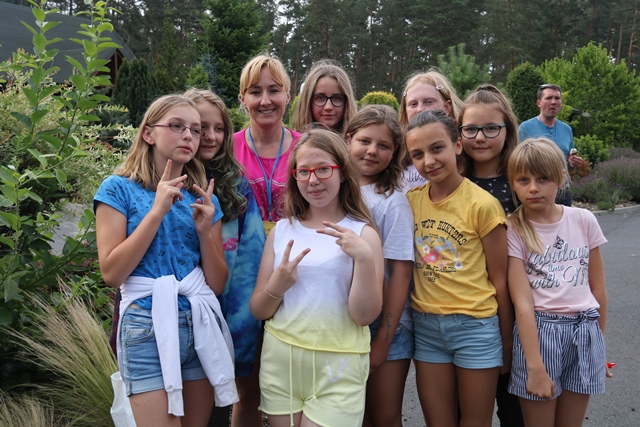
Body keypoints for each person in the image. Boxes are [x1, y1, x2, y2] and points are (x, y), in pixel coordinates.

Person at [94, 95, 237, 427]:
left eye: (195, 130)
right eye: (176, 126)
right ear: (148, 133)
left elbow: (217, 284)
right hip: (145, 324)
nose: (189, 136)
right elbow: (112, 273)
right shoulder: (118, 189)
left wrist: (204, 232)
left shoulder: (203, 198)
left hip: (199, 323)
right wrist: (157, 210)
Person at [249, 129, 384, 427]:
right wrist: (276, 288)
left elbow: (364, 316)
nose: (312, 180)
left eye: (323, 169)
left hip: (339, 365)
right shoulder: (282, 230)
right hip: (281, 360)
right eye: (303, 171)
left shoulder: (363, 235)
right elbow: (259, 309)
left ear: (343, 173)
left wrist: (363, 259)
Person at [405, 109, 511, 427]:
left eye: (437, 148)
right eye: (417, 154)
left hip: (475, 328)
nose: (429, 161)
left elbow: (501, 281)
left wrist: (507, 343)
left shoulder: (483, 205)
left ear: (457, 146)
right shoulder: (410, 202)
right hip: (426, 329)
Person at [506, 138, 609, 427]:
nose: (533, 188)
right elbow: (522, 301)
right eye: (523, 180)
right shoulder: (514, 228)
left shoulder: (584, 220)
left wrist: (599, 347)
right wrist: (534, 366)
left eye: (543, 178)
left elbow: (598, 289)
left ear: (561, 178)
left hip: (585, 329)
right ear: (513, 183)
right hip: (540, 334)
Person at [183, 88, 267, 427]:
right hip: (171, 317)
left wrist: (240, 331)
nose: (211, 136)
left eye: (219, 128)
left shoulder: (236, 187)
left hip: (222, 317)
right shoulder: (162, 180)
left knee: (215, 412)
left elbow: (251, 260)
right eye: (202, 127)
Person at [344, 105, 414, 427]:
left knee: (383, 417)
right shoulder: (333, 190)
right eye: (364, 141)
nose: (372, 150)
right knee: (351, 415)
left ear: (394, 153)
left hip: (387, 326)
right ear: (348, 140)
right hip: (344, 320)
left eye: (383, 145)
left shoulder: (392, 202)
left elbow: (401, 273)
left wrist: (383, 342)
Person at [459, 84, 523, 426]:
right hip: (468, 316)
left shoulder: (522, 182)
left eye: (490, 129)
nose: (480, 138)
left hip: (523, 309)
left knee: (515, 411)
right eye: (470, 129)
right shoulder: (453, 182)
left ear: (507, 130)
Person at [235, 54, 302, 233]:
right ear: (243, 99)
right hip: (240, 248)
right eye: (255, 92)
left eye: (274, 91)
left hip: (295, 247)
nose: (265, 101)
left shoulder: (305, 147)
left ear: (287, 96)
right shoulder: (227, 148)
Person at [517, 84, 585, 207]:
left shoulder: (566, 129)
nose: (553, 102)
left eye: (557, 98)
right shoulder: (525, 128)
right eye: (548, 98)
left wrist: (572, 164)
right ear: (539, 103)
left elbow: (566, 165)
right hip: (537, 192)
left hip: (562, 191)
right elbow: (518, 164)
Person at [398, 69, 463, 193]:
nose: (420, 109)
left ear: (447, 107)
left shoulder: (459, 146)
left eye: (429, 102)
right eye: (413, 104)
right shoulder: (397, 151)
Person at [290, 59, 357, 133]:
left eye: (337, 98)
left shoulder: (359, 139)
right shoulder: (294, 140)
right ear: (308, 101)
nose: (328, 107)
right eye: (320, 98)